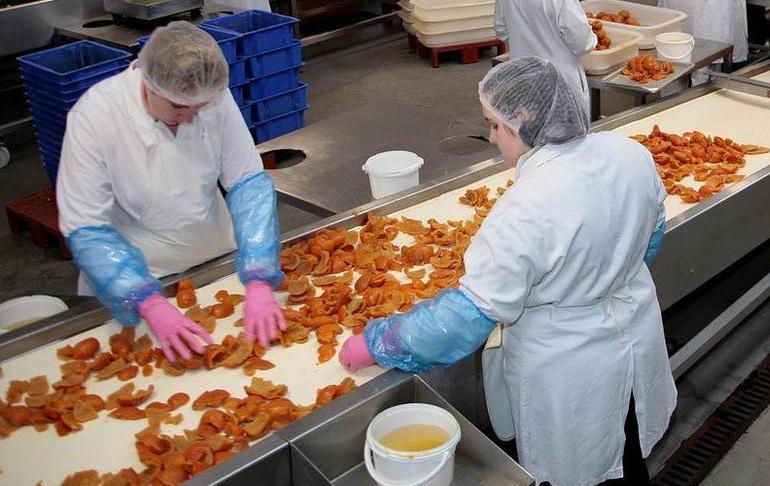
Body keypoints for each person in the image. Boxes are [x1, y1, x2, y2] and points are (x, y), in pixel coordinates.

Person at [339, 57, 675, 486]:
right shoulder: (627, 151)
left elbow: (466, 317)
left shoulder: (527, 207)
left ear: (527, 123)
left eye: (496, 126)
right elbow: (653, 233)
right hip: (634, 330)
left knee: (582, 467)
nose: (494, 139)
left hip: (569, 365)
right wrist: (603, 276)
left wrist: (380, 342)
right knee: (625, 447)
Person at [57, 22, 286, 362]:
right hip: (141, 276)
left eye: (201, 107)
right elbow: (87, 229)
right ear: (148, 85)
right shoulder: (96, 117)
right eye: (180, 108)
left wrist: (258, 276)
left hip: (213, 258)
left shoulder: (209, 94)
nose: (193, 117)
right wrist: (148, 303)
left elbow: (247, 183)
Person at [494, 0, 597, 108]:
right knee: (563, 121)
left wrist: (523, 41)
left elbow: (501, 30)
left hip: (523, 76)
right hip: (560, 81)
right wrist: (593, 39)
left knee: (527, 119)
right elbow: (582, 42)